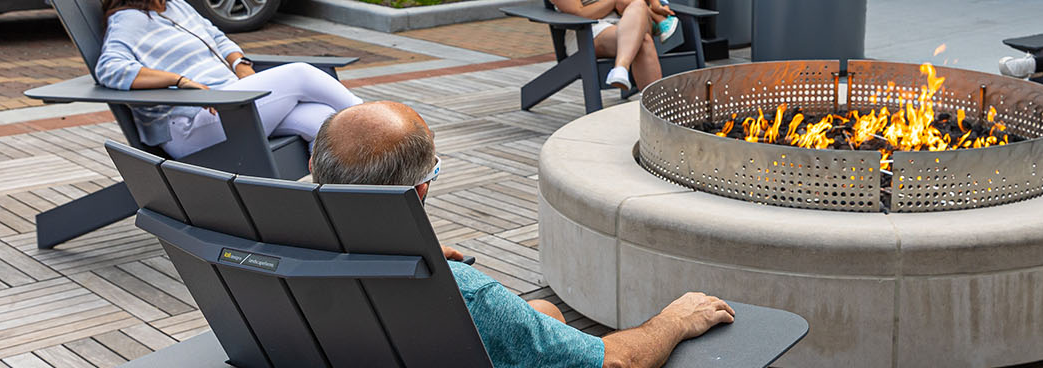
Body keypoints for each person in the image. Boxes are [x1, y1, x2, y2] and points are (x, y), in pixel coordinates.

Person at [309, 101, 737, 368]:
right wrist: (675, 320)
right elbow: (615, 361)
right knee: (541, 321)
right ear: (420, 190)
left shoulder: (272, 252)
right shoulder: (467, 297)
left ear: (315, 170)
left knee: (543, 313)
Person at [94, 0, 361, 159]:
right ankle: (383, 125)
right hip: (192, 124)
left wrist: (240, 65)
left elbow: (217, 37)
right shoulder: (129, 20)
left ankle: (335, 204)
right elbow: (110, 68)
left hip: (231, 105)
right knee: (301, 74)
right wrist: (181, 82)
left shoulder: (176, 6)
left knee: (325, 122)